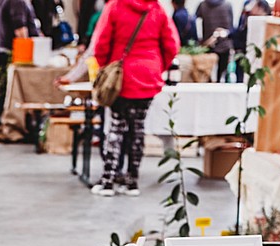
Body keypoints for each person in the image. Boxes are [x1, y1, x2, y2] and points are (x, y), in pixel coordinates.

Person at [91, 0, 180, 196]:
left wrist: (107, 68)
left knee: (116, 127)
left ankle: (108, 181)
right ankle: (132, 182)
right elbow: (172, 45)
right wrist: (157, 66)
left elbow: (101, 43)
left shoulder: (115, 6)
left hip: (121, 76)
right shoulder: (157, 9)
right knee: (137, 129)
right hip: (148, 74)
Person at [195, 0, 232, 79]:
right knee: (221, 76)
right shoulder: (227, 5)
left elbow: (196, 23)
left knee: (206, 75)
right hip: (224, 45)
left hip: (208, 43)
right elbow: (230, 27)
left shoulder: (202, 5)